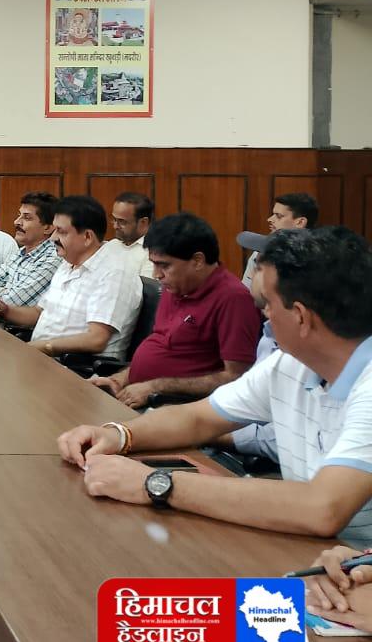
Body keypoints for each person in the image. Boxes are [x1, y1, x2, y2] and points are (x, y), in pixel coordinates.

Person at [57, 226, 372, 548]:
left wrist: (154, 483)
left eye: (268, 304)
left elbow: (322, 508)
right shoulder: (290, 365)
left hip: (352, 562)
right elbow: (199, 418)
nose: (264, 319)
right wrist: (119, 434)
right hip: (307, 549)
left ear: (301, 317)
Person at [88, 213, 261, 409]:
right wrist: (118, 380)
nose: (156, 275)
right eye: (153, 264)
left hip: (174, 407)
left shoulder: (234, 299)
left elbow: (236, 377)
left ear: (197, 261)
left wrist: (155, 387)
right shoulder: (176, 286)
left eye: (164, 265)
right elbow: (159, 348)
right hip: (135, 394)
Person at [0, 195, 141, 361]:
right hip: (43, 357)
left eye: (61, 231)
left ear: (87, 237)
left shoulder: (113, 273)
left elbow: (96, 339)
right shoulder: (68, 263)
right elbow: (39, 313)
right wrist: (4, 310)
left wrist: (41, 347)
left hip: (78, 367)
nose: (53, 238)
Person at [0, 191, 60, 308]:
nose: (17, 222)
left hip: (14, 321)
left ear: (48, 228)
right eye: (19, 215)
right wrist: (6, 291)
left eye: (27, 218)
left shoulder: (52, 258)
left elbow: (12, 302)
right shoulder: (20, 253)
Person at [241, 192, 317, 289]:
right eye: (273, 214)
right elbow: (245, 293)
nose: (269, 219)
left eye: (279, 216)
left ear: (300, 222)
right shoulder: (259, 253)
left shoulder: (318, 258)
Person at [103, 191, 155, 278]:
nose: (115, 226)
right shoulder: (112, 245)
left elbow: (145, 286)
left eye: (122, 221)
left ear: (143, 222)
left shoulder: (153, 252)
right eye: (114, 219)